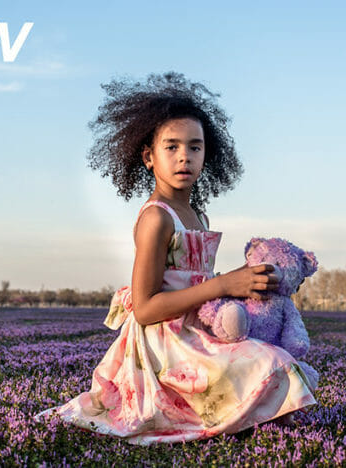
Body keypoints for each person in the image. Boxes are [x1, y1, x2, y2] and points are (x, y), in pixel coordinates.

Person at [34, 72, 316, 445]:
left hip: (201, 329)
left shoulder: (197, 215)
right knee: (269, 364)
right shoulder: (156, 217)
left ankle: (241, 412)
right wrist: (222, 284)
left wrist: (241, 282)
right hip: (166, 345)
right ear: (149, 157)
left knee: (275, 359)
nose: (184, 156)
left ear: (206, 155)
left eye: (195, 147)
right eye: (172, 147)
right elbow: (146, 308)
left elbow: (204, 286)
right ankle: (213, 411)